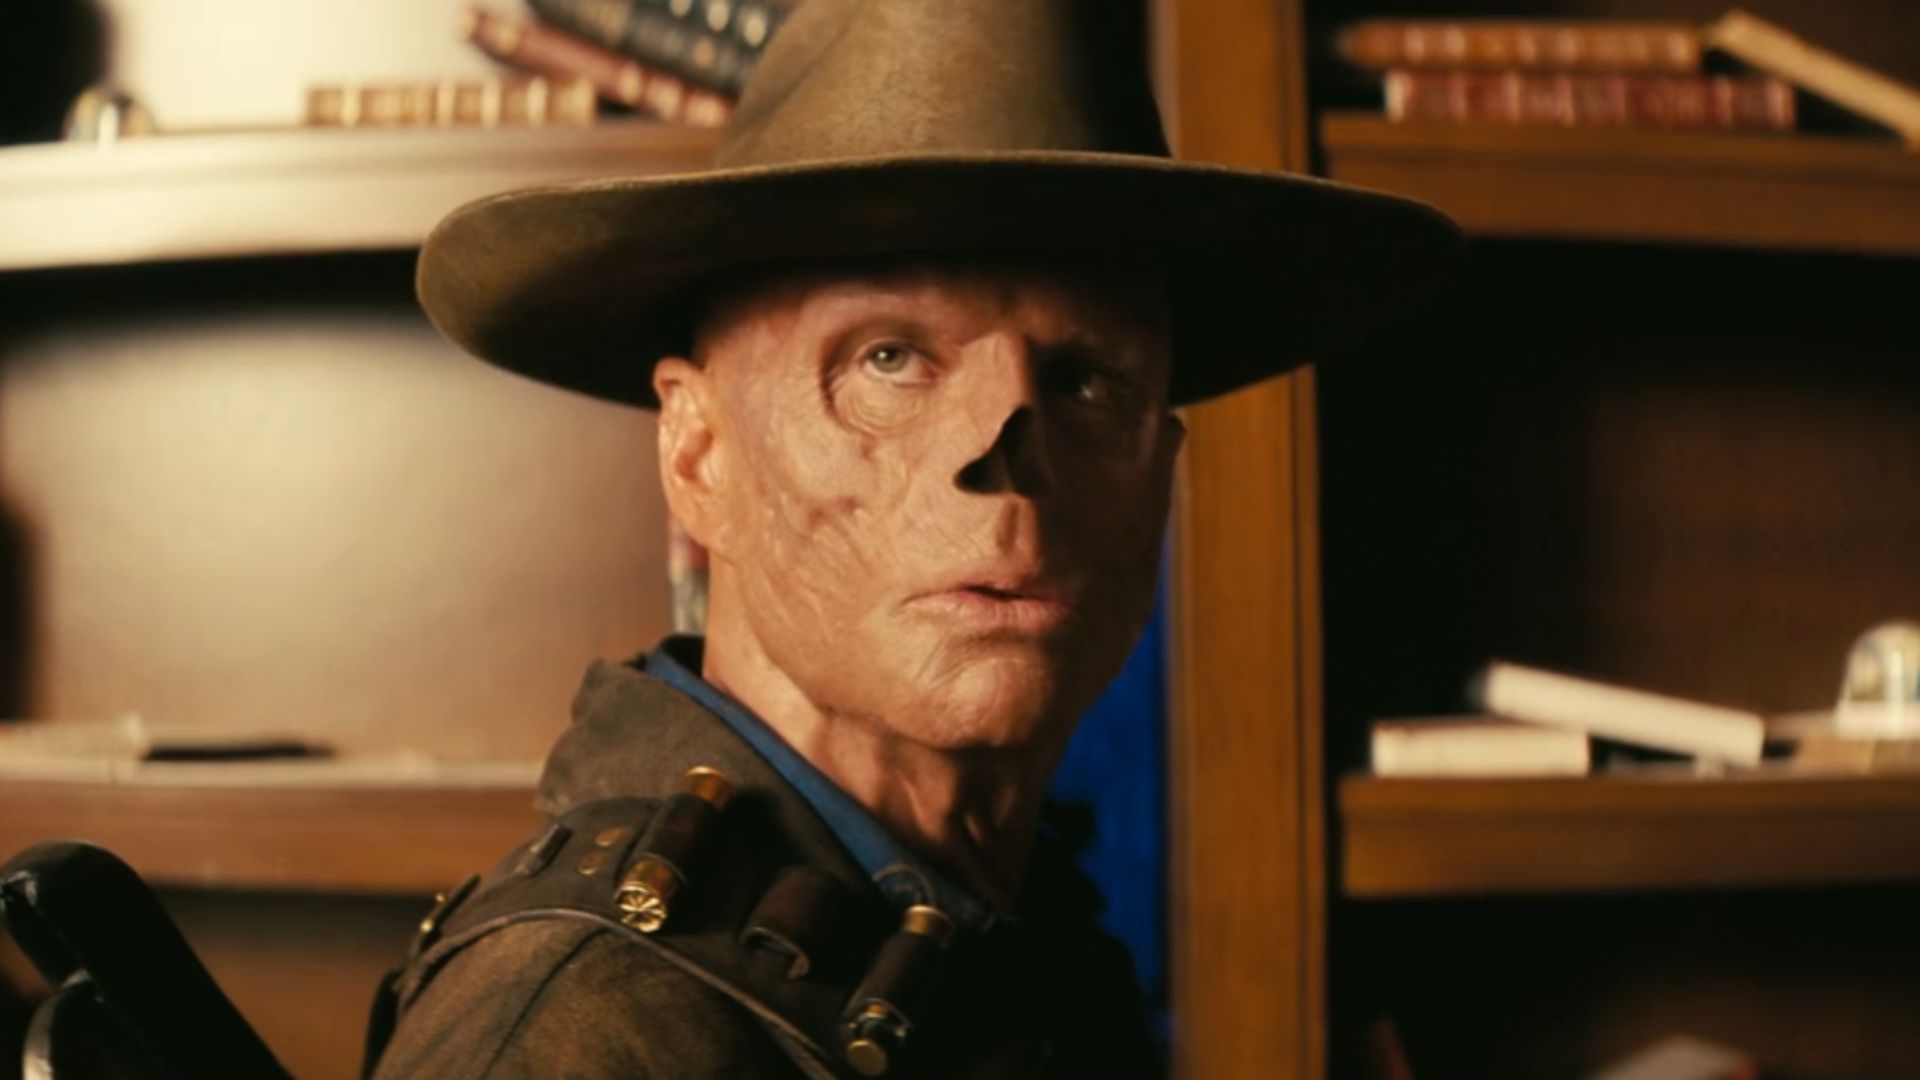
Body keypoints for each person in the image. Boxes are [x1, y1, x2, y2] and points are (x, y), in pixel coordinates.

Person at [368, 0, 1459, 1077]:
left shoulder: (1020, 941)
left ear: (1161, 475)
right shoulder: (580, 1037)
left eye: (1088, 380)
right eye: (887, 359)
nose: (1006, 465)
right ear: (699, 453)